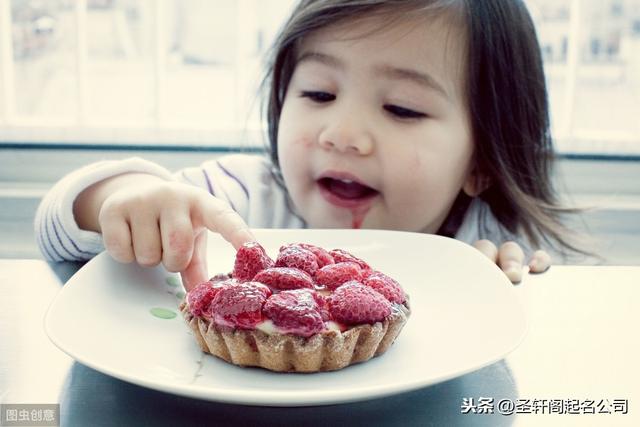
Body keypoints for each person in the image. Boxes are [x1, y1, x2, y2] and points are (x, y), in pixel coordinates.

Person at [35, 0, 583, 291]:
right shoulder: (239, 201)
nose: (341, 133)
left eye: (402, 108)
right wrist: (128, 197)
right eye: (319, 93)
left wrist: (500, 282)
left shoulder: (477, 242)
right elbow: (58, 229)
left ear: (482, 161)